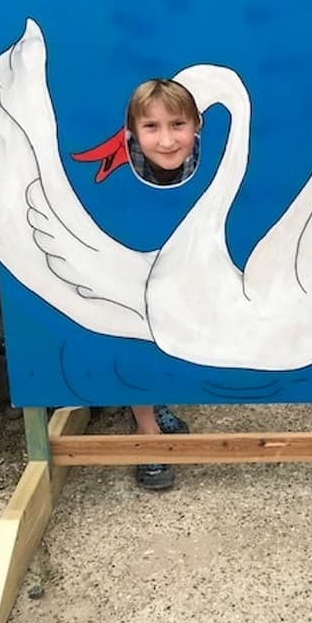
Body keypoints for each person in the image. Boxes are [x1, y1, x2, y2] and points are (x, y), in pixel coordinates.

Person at [126, 78, 202, 490]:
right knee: (136, 322)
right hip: (136, 259)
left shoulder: (201, 165)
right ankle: (145, 425)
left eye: (178, 125)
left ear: (197, 127)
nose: (168, 140)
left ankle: (159, 397)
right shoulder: (128, 169)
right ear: (133, 133)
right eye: (151, 127)